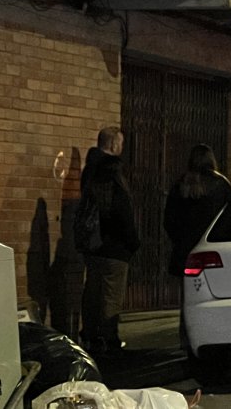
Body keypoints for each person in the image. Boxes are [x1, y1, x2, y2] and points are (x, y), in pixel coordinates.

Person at [165, 144, 231, 349]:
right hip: (213, 252)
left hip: (185, 252)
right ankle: (212, 337)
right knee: (215, 297)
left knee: (187, 299)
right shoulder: (221, 184)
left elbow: (169, 220)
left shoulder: (181, 185)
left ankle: (186, 340)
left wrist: (181, 240)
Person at [78, 126, 140, 354]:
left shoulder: (89, 169)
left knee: (93, 289)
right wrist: (132, 241)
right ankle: (108, 340)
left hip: (92, 241)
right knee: (111, 294)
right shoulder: (112, 171)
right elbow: (120, 211)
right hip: (114, 245)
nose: (122, 148)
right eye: (120, 143)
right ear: (114, 145)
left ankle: (91, 335)